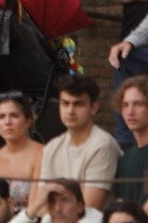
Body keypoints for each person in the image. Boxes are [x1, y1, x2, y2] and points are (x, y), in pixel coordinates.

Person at [41, 75, 121, 209]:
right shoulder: (51, 147)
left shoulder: (103, 145)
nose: (70, 111)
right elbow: (41, 203)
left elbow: (89, 208)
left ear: (94, 108)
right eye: (65, 103)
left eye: (78, 104)